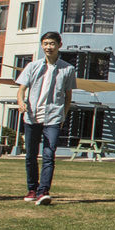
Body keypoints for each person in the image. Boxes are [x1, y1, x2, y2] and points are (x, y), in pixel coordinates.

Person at [17, 31, 76, 206]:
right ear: (42, 45)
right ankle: (32, 189)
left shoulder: (68, 69)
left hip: (53, 118)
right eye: (45, 43)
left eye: (52, 43)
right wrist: (21, 103)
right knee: (30, 155)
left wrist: (63, 115)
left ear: (59, 45)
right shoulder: (32, 66)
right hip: (32, 117)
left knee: (49, 155)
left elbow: (67, 96)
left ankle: (44, 191)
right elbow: (21, 89)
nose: (48, 47)